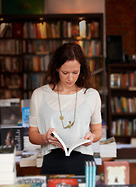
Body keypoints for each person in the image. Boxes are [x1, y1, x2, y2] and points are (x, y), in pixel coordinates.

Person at [29, 42, 102, 175]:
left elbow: (97, 131)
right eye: (65, 72)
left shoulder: (91, 95)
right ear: (56, 68)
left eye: (75, 72)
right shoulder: (39, 95)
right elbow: (32, 135)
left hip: (84, 160)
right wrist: (45, 138)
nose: (70, 78)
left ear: (82, 69)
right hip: (52, 160)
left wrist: (92, 136)